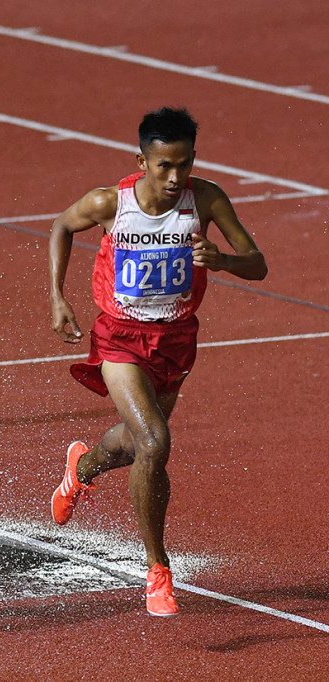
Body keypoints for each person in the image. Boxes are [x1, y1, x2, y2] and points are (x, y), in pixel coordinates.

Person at [48, 107, 267, 617]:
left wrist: (223, 261)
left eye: (184, 165)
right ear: (141, 159)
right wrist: (58, 299)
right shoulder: (111, 203)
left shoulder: (206, 199)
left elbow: (257, 264)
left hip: (175, 339)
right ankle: (157, 570)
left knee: (133, 447)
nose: (174, 178)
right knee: (155, 441)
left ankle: (80, 466)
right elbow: (61, 226)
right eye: (164, 165)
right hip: (119, 337)